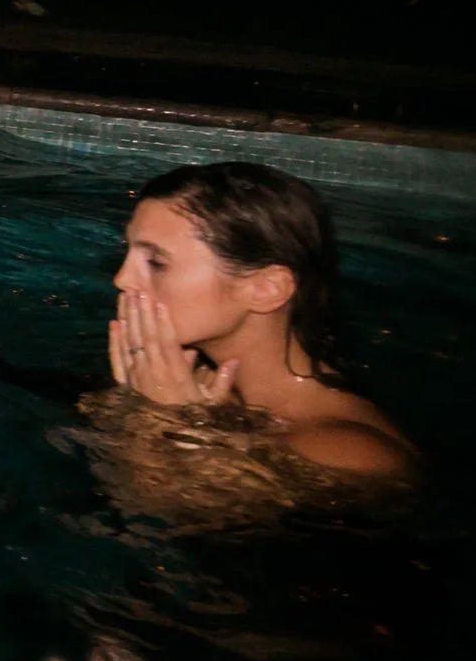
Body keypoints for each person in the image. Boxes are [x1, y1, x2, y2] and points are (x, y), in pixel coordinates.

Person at [107, 162, 414, 477]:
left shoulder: (346, 452)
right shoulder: (201, 391)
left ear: (267, 289)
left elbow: (149, 503)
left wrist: (158, 420)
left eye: (156, 263)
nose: (122, 279)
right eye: (127, 252)